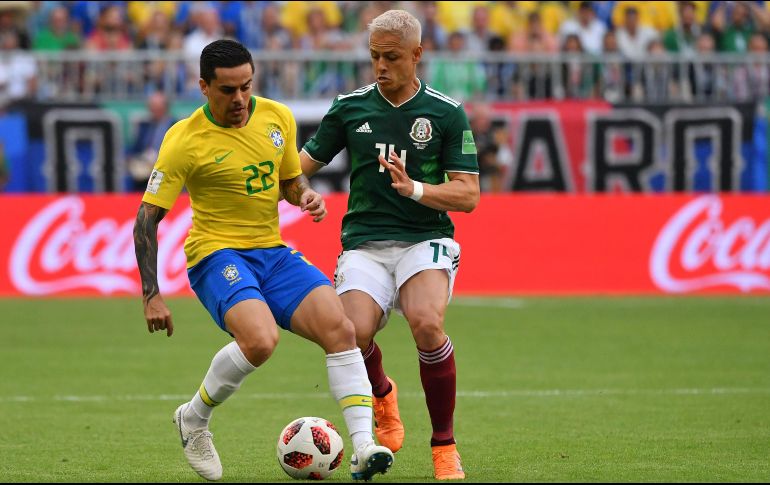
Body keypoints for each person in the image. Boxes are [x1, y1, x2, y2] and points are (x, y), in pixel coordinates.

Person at [132, 39, 393, 482]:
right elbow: (146, 218)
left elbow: (290, 181)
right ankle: (193, 419)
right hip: (217, 253)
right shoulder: (184, 140)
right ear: (203, 87)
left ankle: (364, 446)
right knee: (260, 340)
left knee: (342, 329)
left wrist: (305, 195)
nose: (239, 99)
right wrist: (151, 295)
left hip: (271, 252)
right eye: (227, 90)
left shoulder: (277, 117)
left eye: (246, 87)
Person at [299, 10, 480, 481]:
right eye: (375, 56)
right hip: (364, 241)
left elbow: (468, 194)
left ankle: (444, 447)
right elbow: (299, 168)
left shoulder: (445, 112)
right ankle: (382, 393)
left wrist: (417, 189)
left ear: (417, 54)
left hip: (425, 239)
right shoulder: (350, 107)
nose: (381, 66)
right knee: (351, 333)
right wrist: (302, 192)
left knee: (425, 323)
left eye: (392, 57)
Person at [127, 92, 176, 191]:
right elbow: (135, 148)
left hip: (164, 169)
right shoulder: (144, 126)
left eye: (157, 107)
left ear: (165, 108)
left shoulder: (175, 126)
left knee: (154, 186)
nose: (154, 110)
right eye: (152, 107)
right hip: (143, 170)